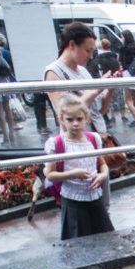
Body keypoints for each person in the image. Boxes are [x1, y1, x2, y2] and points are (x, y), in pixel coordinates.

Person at [44, 94, 112, 240]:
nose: (75, 123)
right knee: (77, 239)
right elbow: (50, 174)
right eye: (70, 119)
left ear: (86, 119)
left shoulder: (93, 139)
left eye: (79, 119)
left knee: (104, 237)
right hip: (73, 200)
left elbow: (102, 164)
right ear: (61, 120)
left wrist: (103, 175)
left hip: (94, 197)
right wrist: (72, 174)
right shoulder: (57, 143)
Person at [89, 38, 123, 127]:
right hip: (115, 79)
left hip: (105, 82)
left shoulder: (99, 58)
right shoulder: (115, 56)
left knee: (108, 101)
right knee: (116, 99)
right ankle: (121, 116)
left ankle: (111, 117)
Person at [119, 33, 135, 127]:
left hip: (127, 73)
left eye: (122, 37)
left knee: (128, 98)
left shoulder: (123, 49)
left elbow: (121, 61)